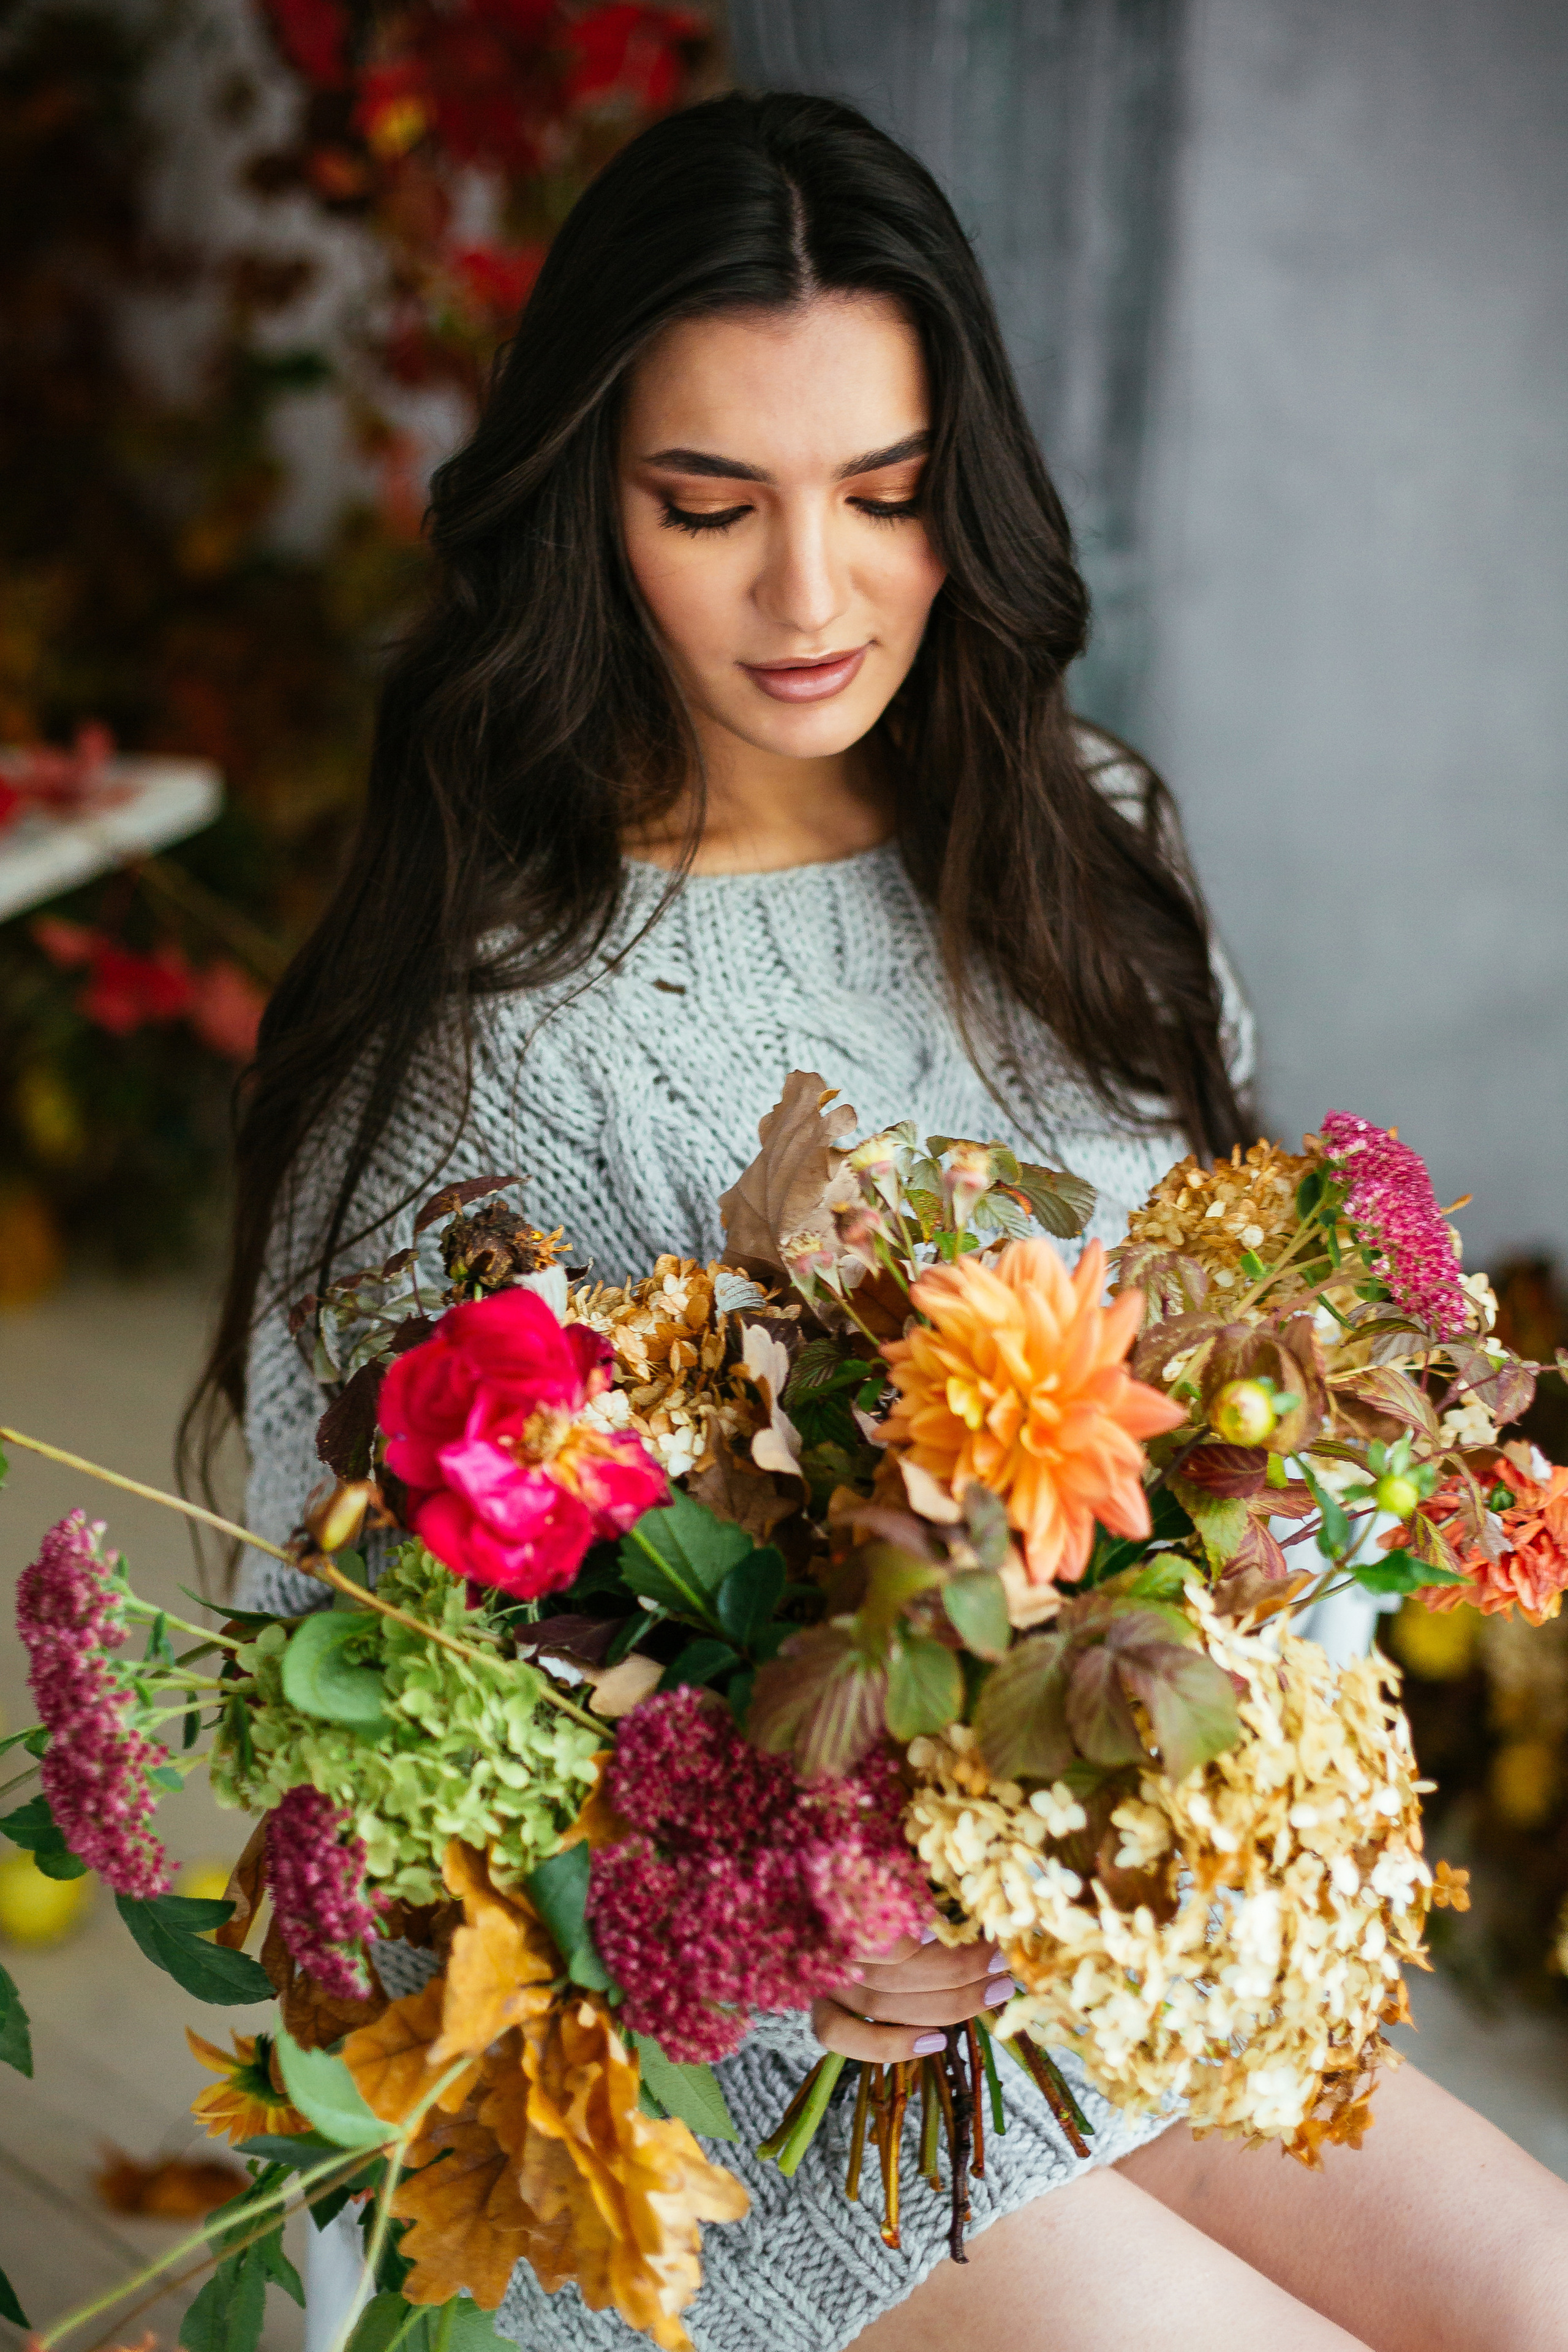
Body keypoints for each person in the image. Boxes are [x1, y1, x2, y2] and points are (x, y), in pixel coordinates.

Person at [197, 89, 1568, 2352]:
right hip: (752, 2075)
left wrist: (1196, 1804)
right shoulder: (492, 1039)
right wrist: (777, 1915)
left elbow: (1276, 1506)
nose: (812, 594)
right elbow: (352, 1735)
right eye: (709, 505)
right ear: (584, 515)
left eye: (888, 496)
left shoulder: (1088, 852)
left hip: (1114, 1952)